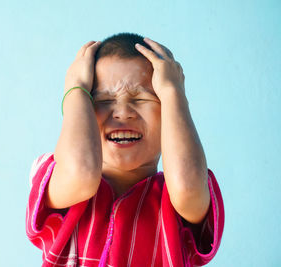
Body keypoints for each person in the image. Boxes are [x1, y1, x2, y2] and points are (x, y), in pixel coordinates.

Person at [26, 32, 225, 267]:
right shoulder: (57, 177)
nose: (122, 112)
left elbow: (186, 185)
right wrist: (75, 89)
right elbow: (81, 172)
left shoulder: (183, 194)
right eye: (104, 101)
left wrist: (173, 93)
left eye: (141, 99)